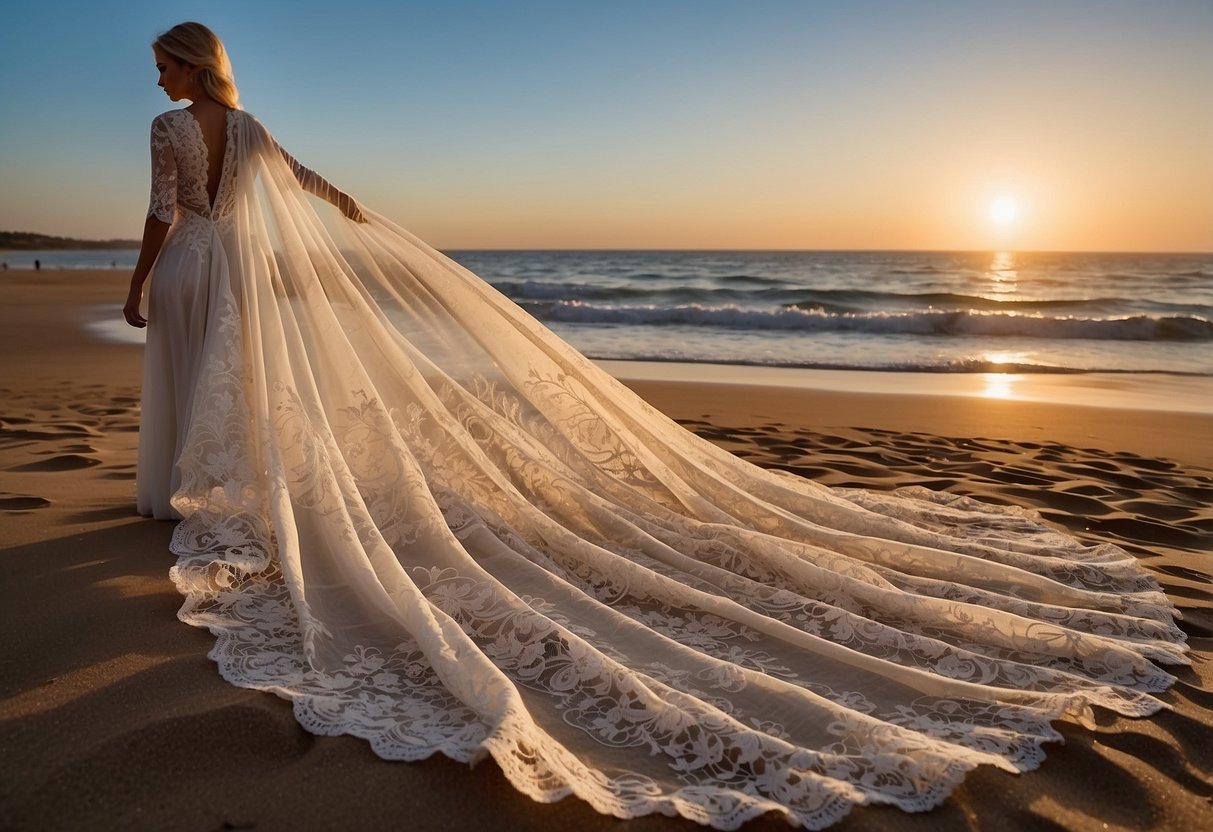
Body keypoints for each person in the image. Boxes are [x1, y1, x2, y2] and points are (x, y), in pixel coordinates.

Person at [124, 22, 1186, 830]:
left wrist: (139, 285)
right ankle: (230, 479)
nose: (159, 82)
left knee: (194, 372)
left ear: (185, 66)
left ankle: (191, 482)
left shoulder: (174, 131)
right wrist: (353, 208)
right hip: (246, 270)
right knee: (246, 378)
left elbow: (164, 214)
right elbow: (307, 185)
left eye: (164, 66)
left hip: (194, 266)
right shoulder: (252, 127)